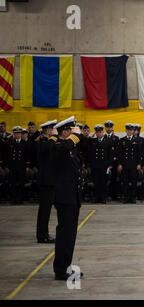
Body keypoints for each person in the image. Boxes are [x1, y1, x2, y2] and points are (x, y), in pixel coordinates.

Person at [52, 116, 84, 280]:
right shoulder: (57, 145)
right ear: (65, 131)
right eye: (72, 130)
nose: (75, 133)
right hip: (65, 198)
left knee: (70, 235)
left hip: (72, 197)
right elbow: (61, 150)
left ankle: (66, 265)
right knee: (65, 234)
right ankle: (60, 269)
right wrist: (74, 137)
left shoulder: (69, 148)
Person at [36, 120, 58, 243]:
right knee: (44, 210)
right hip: (45, 181)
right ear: (47, 130)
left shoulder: (47, 142)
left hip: (49, 181)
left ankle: (44, 233)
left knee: (46, 210)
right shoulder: (42, 142)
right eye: (52, 129)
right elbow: (48, 148)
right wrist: (54, 137)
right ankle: (42, 235)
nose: (53, 132)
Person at [5, 126, 31, 204]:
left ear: (21, 134)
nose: (17, 135)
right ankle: (13, 199)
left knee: (21, 182)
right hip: (13, 165)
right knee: (13, 182)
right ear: (13, 134)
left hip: (21, 165)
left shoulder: (24, 143)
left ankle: (20, 199)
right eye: (16, 133)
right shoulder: (10, 142)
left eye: (19, 133)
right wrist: (7, 165)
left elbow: (27, 155)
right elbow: (7, 155)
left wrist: (27, 165)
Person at [88, 124, 113, 203]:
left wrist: (110, 164)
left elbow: (110, 154)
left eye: (100, 132)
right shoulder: (92, 141)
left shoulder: (108, 141)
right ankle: (96, 198)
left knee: (103, 182)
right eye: (97, 132)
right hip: (95, 165)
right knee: (96, 182)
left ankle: (103, 198)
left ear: (103, 132)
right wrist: (89, 139)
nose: (99, 134)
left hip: (104, 165)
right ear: (96, 133)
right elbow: (89, 153)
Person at [117, 124, 141, 203]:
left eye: (131, 130)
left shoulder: (137, 140)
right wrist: (120, 164)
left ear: (133, 131)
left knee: (134, 182)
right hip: (125, 164)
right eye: (128, 130)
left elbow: (138, 154)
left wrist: (139, 164)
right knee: (125, 182)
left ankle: (133, 198)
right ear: (126, 131)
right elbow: (120, 153)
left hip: (134, 165)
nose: (130, 132)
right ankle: (126, 198)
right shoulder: (122, 140)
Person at [104, 120, 120, 200]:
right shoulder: (103, 137)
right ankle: (106, 195)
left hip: (113, 162)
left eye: (110, 127)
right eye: (107, 127)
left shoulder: (116, 138)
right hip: (105, 162)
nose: (109, 129)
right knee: (105, 179)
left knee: (113, 179)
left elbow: (117, 150)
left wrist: (114, 159)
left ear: (112, 128)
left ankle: (113, 195)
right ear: (105, 128)